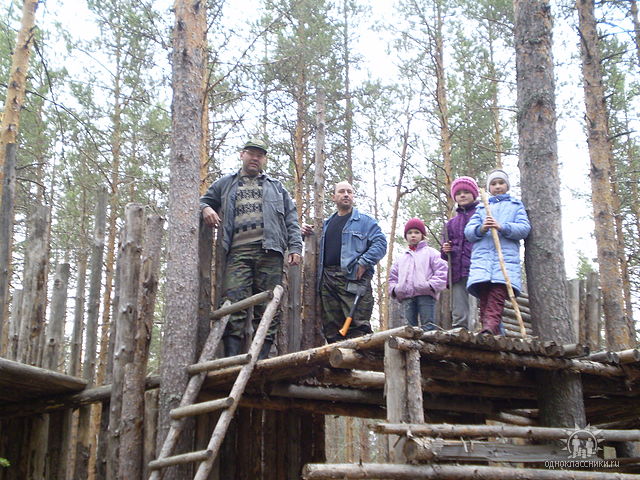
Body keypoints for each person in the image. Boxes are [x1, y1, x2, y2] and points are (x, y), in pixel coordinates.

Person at [200, 138, 302, 358]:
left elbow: (291, 219)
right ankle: (230, 357)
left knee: (269, 305)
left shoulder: (276, 187)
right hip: (238, 251)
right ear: (242, 155)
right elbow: (202, 201)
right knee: (232, 302)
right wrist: (206, 208)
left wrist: (295, 247)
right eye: (251, 154)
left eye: (260, 155)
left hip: (271, 252)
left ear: (264, 159)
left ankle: (260, 359)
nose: (255, 158)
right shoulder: (226, 183)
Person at [304, 181, 387, 343]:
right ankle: (338, 359)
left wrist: (364, 262)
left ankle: (362, 359)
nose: (346, 194)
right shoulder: (325, 225)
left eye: (349, 192)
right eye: (341, 191)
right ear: (334, 197)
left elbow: (381, 244)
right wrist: (306, 232)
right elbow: (313, 245)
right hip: (328, 281)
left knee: (358, 328)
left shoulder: (365, 222)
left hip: (353, 278)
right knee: (332, 330)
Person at [464, 169, 530, 335]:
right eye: (493, 184)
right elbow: (469, 232)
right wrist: (482, 228)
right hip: (482, 263)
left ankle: (489, 330)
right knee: (485, 300)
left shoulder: (515, 206)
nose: (498, 186)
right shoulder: (481, 208)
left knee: (496, 298)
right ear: (489, 188)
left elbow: (524, 229)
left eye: (501, 183)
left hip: (504, 263)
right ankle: (491, 333)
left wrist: (502, 227)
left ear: (507, 185)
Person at [389, 218, 448, 331]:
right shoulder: (401, 258)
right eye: (409, 233)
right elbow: (392, 277)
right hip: (406, 296)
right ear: (406, 236)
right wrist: (396, 289)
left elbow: (442, 271)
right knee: (409, 328)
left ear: (422, 235)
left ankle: (429, 342)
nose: (413, 235)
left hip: (426, 295)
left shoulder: (431, 253)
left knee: (428, 325)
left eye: (416, 232)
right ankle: (412, 343)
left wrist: (430, 286)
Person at [441, 176, 480, 329]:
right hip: (457, 269)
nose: (462, 195)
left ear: (474, 194)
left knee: (477, 302)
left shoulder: (480, 215)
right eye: (458, 193)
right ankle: (460, 330)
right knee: (459, 303)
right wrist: (446, 250)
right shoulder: (450, 224)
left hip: (477, 266)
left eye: (466, 192)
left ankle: (479, 328)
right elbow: (444, 252)